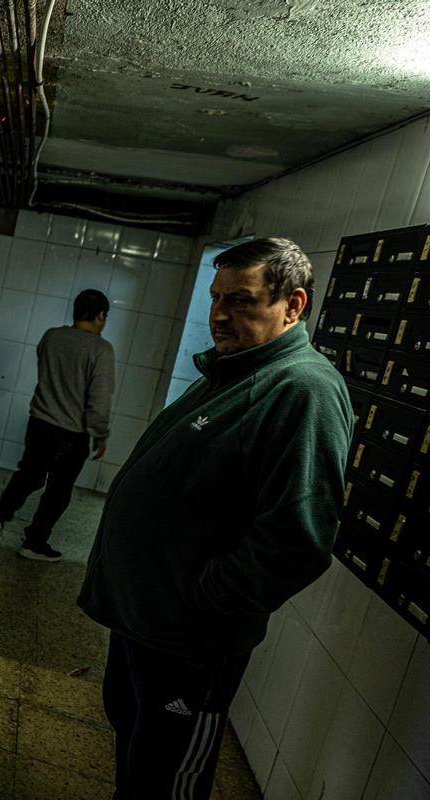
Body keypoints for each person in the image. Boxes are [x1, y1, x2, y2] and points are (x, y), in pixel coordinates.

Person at [77, 238, 352, 799]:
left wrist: (198, 600)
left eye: (242, 301)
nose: (220, 315)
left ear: (293, 306)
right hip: (149, 622)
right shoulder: (234, 371)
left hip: (189, 639)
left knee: (168, 779)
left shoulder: (303, 388)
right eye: (216, 297)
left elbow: (298, 540)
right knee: (137, 755)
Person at [0, 288, 115, 561]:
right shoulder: (101, 349)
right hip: (72, 433)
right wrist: (100, 434)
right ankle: (34, 543)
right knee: (58, 490)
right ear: (100, 316)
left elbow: (46, 371)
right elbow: (99, 399)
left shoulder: (51, 337)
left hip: (39, 423)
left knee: (29, 474)